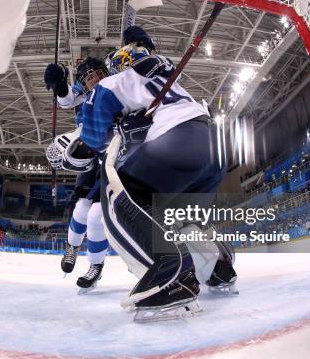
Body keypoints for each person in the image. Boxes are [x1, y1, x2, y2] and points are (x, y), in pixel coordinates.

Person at [58, 26, 237, 321]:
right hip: (213, 146)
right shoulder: (166, 72)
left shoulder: (111, 85)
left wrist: (81, 147)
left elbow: (93, 138)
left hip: (178, 142)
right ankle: (218, 266)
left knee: (119, 200)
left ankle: (170, 271)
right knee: (172, 220)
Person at [44, 57, 110, 292]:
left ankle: (96, 265)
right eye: (89, 76)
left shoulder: (116, 87)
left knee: (95, 215)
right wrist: (59, 84)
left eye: (98, 73)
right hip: (90, 152)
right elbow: (66, 99)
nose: (95, 79)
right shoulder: (83, 93)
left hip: (112, 155)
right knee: (81, 209)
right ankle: (72, 248)